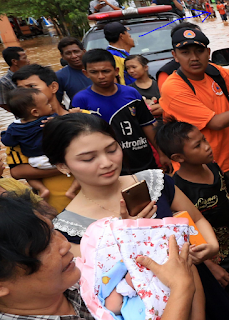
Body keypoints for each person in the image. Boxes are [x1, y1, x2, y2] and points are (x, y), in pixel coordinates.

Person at [42, 113, 218, 265]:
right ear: (63, 166)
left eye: (111, 150)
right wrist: (128, 236)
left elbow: (197, 219)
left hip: (199, 284)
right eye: (88, 159)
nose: (107, 163)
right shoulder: (69, 228)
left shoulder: (154, 182)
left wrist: (211, 245)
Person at [0, 191, 199, 320]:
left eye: (52, 231)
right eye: (42, 247)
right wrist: (182, 288)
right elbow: (182, 282)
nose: (63, 245)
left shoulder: (76, 275)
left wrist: (131, 243)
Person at [155, 117, 229, 292]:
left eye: (204, 139)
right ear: (178, 157)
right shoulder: (179, 190)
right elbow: (187, 236)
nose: (207, 146)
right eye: (198, 145)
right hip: (216, 258)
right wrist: (211, 267)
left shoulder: (212, 167)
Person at [71, 49, 171, 174]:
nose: (101, 76)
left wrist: (162, 153)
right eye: (94, 72)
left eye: (106, 71)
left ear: (116, 71)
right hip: (111, 166)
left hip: (144, 158)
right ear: (85, 73)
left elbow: (147, 125)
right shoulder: (81, 100)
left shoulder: (132, 93)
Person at [159, 25, 229, 177]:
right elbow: (215, 123)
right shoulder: (173, 87)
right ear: (175, 56)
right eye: (185, 53)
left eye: (199, 51)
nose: (194, 58)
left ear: (208, 52)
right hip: (202, 172)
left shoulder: (216, 72)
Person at [7, 64, 76, 212]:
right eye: (21, 89)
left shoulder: (83, 117)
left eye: (32, 87)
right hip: (56, 208)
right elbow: (17, 171)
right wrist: (72, 166)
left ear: (53, 87)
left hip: (96, 199)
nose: (27, 93)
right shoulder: (19, 132)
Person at [1, 87, 80, 199]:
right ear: (35, 112)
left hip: (35, 162)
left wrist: (6, 133)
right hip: (56, 158)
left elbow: (7, 141)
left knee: (30, 177)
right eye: (47, 104)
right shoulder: (49, 120)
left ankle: (42, 189)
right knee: (80, 166)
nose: (50, 106)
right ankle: (72, 190)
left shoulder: (14, 128)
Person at [56, 37, 92, 105]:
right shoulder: (60, 76)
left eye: (76, 51)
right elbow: (56, 103)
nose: (74, 56)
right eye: (68, 53)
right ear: (62, 56)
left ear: (84, 51)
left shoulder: (99, 69)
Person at [0, 46, 30, 112]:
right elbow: (4, 104)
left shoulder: (32, 74)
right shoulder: (4, 82)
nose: (28, 61)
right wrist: (23, 113)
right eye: (24, 58)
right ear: (14, 61)